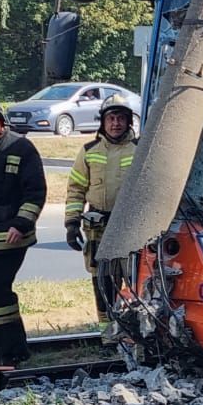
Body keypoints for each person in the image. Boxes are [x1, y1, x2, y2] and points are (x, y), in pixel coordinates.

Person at [0, 95, 46, 366]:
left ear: (1, 121)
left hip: (11, 230)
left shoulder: (22, 148)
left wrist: (21, 223)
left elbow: (36, 192)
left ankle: (13, 349)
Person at [65, 93, 138, 326]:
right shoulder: (89, 150)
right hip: (99, 229)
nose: (116, 123)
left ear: (129, 122)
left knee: (137, 281)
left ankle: (137, 334)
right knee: (103, 283)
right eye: (111, 118)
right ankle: (108, 334)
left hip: (131, 230)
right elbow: (76, 190)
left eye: (121, 118)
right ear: (103, 122)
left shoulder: (141, 149)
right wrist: (71, 224)